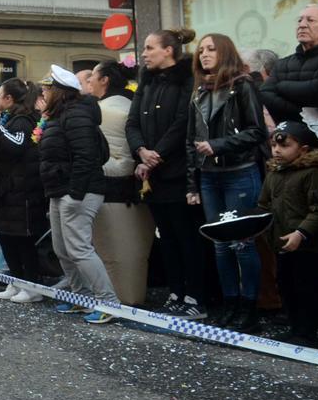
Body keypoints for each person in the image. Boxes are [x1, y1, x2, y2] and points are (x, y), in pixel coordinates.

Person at [186, 34, 268, 331]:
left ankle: (250, 308)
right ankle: (230, 304)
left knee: (242, 245)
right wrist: (192, 185)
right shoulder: (198, 91)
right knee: (220, 246)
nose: (204, 54)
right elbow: (189, 141)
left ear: (225, 53)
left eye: (211, 49)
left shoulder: (243, 85)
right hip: (209, 177)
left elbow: (258, 131)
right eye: (201, 50)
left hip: (239, 173)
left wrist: (219, 145)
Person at [127, 27, 207, 319]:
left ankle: (195, 295)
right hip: (153, 175)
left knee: (187, 236)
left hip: (177, 172)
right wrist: (140, 151)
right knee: (167, 237)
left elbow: (182, 122)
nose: (144, 54)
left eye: (149, 48)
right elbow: (132, 122)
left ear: (168, 50)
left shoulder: (187, 81)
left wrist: (155, 155)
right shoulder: (146, 82)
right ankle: (175, 292)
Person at [37, 65, 117, 323]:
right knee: (62, 249)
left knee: (79, 249)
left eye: (47, 89)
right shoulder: (60, 115)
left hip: (78, 192)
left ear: (59, 91)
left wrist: (75, 194)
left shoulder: (75, 114)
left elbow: (86, 157)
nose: (43, 93)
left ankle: (108, 302)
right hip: (61, 191)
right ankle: (81, 297)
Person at [258, 122, 318, 348]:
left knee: (306, 288)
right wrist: (253, 228)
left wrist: (301, 233)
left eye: (284, 145)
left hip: (306, 246)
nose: (277, 151)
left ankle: (308, 333)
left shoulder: (313, 174)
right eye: (273, 146)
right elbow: (263, 205)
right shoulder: (274, 173)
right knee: (286, 286)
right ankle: (295, 329)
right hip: (280, 243)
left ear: (304, 149)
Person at [87, 60, 154, 305]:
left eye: (92, 75)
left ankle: (119, 300)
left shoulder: (106, 111)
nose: (89, 81)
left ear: (105, 80)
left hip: (114, 193)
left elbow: (118, 161)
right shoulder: (128, 104)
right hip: (133, 193)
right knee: (132, 254)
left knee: (116, 255)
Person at [0, 79, 48, 295]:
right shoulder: (10, 119)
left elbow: (17, 145)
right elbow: (5, 146)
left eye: (0, 94)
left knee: (22, 241)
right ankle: (15, 282)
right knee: (6, 238)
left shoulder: (24, 120)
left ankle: (31, 285)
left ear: (9, 98)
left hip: (22, 191)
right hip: (6, 190)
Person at [259, 5, 318, 132]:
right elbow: (265, 95)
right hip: (287, 141)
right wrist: (306, 114)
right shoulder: (283, 63)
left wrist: (281, 86)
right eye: (300, 20)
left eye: (310, 20)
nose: (302, 25)